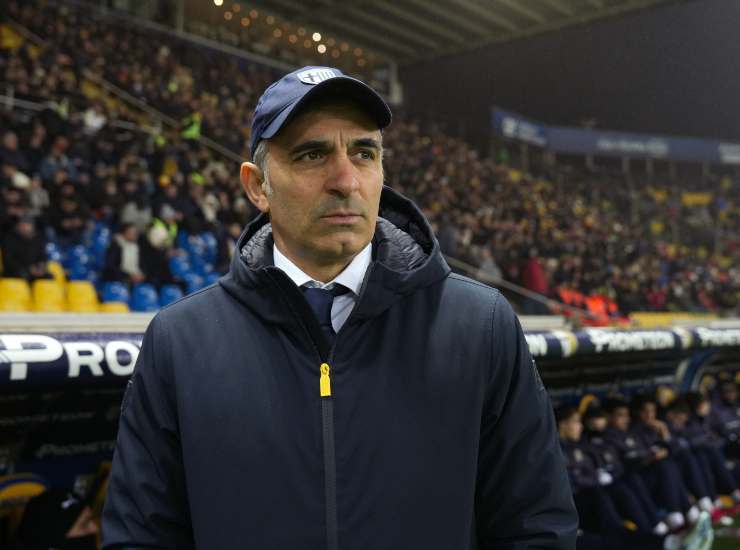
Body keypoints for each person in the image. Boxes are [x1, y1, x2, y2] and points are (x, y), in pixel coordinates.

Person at [102, 66, 577, 549]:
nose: (346, 180)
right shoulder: (179, 343)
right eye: (312, 154)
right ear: (257, 186)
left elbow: (536, 526)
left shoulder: (480, 325)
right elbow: (141, 537)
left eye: (364, 153)